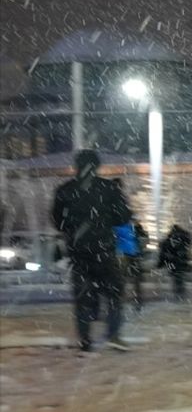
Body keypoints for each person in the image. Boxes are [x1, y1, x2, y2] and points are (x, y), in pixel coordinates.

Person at [50, 149, 134, 352]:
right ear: (97, 166)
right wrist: (104, 222)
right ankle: (113, 334)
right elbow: (123, 217)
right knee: (114, 294)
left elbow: (57, 222)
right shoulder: (108, 189)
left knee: (83, 297)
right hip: (104, 250)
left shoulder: (64, 191)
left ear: (76, 167)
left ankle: (85, 339)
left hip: (78, 253)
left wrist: (74, 226)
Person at [157, 224, 192, 300]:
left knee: (177, 279)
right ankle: (181, 295)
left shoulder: (170, 239)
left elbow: (164, 251)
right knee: (180, 279)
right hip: (181, 262)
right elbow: (185, 248)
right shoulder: (183, 238)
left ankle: (178, 295)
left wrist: (160, 264)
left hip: (173, 263)